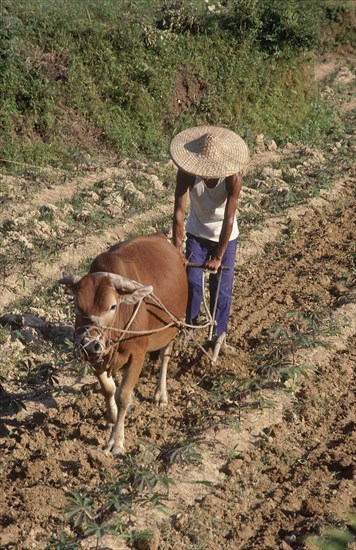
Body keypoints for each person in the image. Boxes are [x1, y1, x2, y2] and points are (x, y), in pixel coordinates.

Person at [169, 125, 249, 347]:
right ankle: (190, 329)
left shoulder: (233, 178)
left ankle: (218, 335)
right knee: (192, 282)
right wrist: (177, 248)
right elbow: (179, 212)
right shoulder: (186, 174)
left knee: (221, 288)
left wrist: (219, 257)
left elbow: (229, 219)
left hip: (226, 236)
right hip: (197, 232)